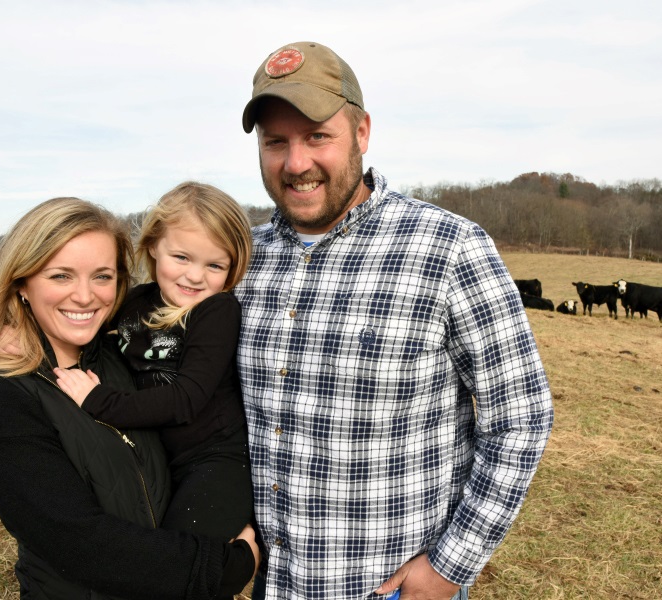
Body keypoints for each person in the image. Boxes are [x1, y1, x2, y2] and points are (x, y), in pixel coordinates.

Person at [234, 41, 554, 600]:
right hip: (273, 586)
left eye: (317, 137)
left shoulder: (449, 248)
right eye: (275, 142)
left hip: (389, 588)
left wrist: (450, 567)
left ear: (361, 133)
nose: (295, 163)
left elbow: (520, 418)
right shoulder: (239, 259)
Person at [0, 197, 258, 600]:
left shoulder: (116, 360)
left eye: (101, 276)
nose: (85, 296)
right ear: (21, 281)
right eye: (61, 276)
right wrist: (228, 567)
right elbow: (78, 541)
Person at [54, 182, 254, 600]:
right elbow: (81, 325)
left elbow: (186, 399)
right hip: (159, 459)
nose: (195, 276)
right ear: (153, 248)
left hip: (214, 463)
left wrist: (99, 403)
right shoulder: (136, 303)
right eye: (181, 257)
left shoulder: (216, 312)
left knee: (180, 577)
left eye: (215, 266)